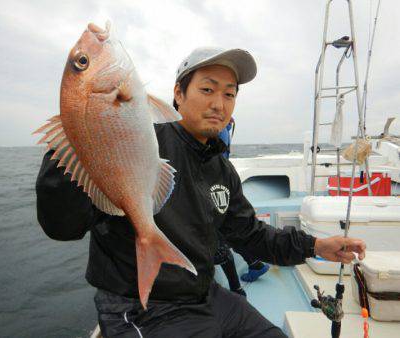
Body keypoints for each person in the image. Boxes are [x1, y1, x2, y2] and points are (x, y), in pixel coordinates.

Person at [36, 46, 366, 338]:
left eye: (229, 94)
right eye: (207, 89)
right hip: (142, 307)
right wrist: (78, 130)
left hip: (206, 295)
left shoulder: (222, 170)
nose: (218, 104)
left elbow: (250, 235)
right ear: (178, 94)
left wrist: (316, 245)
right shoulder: (140, 141)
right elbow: (63, 226)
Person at [215, 119, 270, 293]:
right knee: (232, 230)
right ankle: (255, 264)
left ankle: (237, 289)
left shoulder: (216, 130)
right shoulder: (224, 128)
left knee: (219, 238)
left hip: (217, 181)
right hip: (224, 179)